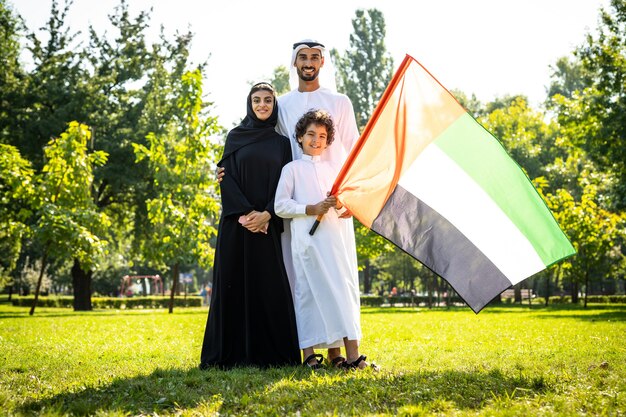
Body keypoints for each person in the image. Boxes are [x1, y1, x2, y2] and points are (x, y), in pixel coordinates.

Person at [216, 39, 361, 367]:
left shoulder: (340, 102)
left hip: (334, 208)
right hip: (291, 211)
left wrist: (353, 196)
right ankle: (309, 353)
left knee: (338, 281)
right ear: (293, 63)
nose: (308, 62)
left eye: (314, 57)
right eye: (302, 57)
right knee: (300, 284)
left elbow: (354, 151)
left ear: (322, 62)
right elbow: (266, 142)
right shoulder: (282, 104)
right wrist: (228, 168)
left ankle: (341, 355)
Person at [199, 82, 300, 369]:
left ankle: (272, 356)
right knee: (232, 288)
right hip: (237, 226)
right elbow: (225, 177)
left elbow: (286, 185)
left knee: (269, 289)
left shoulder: (282, 144)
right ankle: (229, 356)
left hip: (267, 227)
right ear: (249, 104)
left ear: (274, 105)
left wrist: (267, 214)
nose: (262, 105)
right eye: (256, 100)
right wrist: (247, 216)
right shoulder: (235, 137)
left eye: (268, 100)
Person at [275, 109, 375, 370]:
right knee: (307, 293)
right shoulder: (291, 169)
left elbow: (345, 208)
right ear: (299, 137)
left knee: (342, 293)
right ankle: (308, 355)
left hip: (334, 243)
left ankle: (352, 356)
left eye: (321, 136)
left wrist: (343, 205)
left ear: (328, 140)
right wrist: (311, 209)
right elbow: (280, 206)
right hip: (307, 244)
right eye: (310, 134)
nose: (316, 140)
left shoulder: (335, 169)